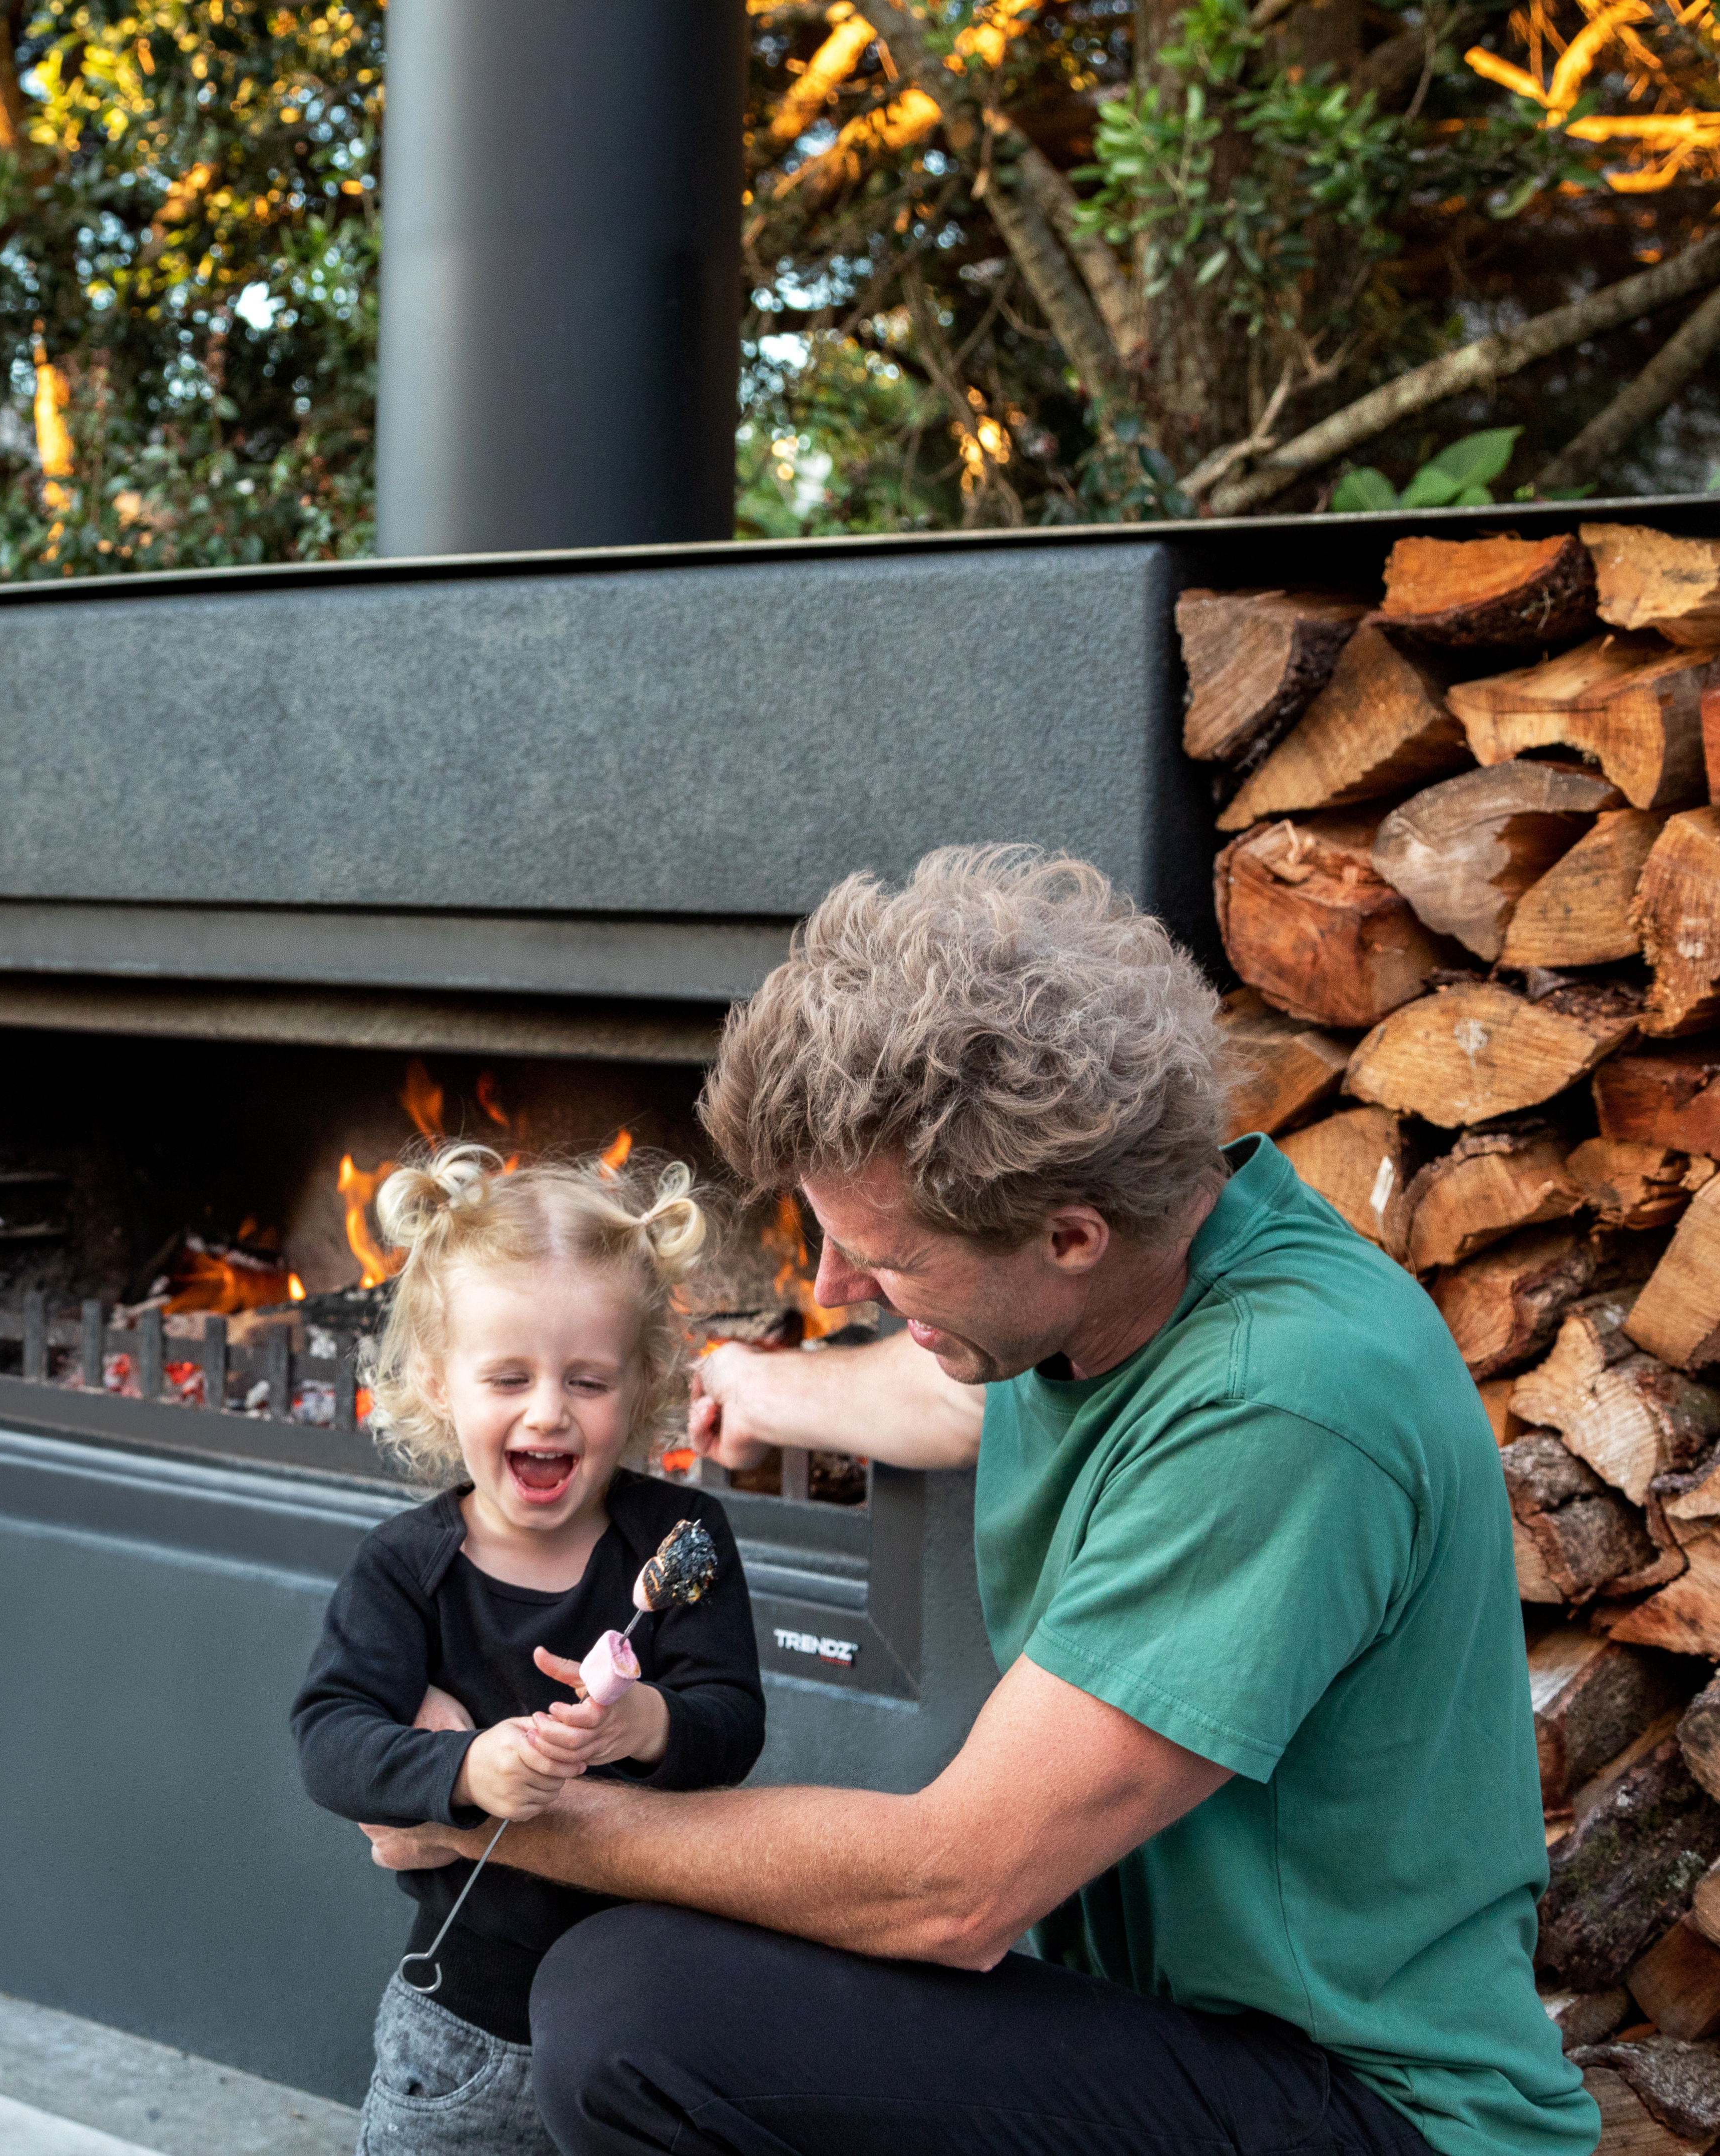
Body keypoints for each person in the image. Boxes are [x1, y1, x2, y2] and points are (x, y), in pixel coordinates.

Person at [359, 847, 1591, 2156]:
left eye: (882, 1257)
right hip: (1176, 2041)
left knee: (637, 2011)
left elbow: (959, 1886)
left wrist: (480, 1803)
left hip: (1372, 2110)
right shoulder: (1142, 1275)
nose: (831, 1285)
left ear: (1070, 1234)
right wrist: (759, 1389)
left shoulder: (1283, 1405)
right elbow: (969, 1385)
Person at [297, 1147, 762, 2156]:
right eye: (507, 1377)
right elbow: (329, 1738)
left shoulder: (679, 1540)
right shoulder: (402, 1568)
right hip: (463, 2018)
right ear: (435, 1381)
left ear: (639, 1384)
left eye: (586, 1379)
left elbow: (731, 1721)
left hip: (653, 2014)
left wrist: (648, 1724)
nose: (547, 1408)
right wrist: (467, 1766)